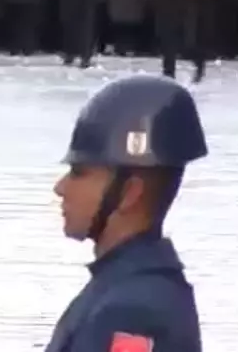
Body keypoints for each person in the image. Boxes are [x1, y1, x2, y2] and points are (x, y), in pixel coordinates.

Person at [47, 75, 206, 352]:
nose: (60, 187)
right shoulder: (122, 286)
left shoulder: (134, 312)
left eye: (79, 173)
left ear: (130, 193)